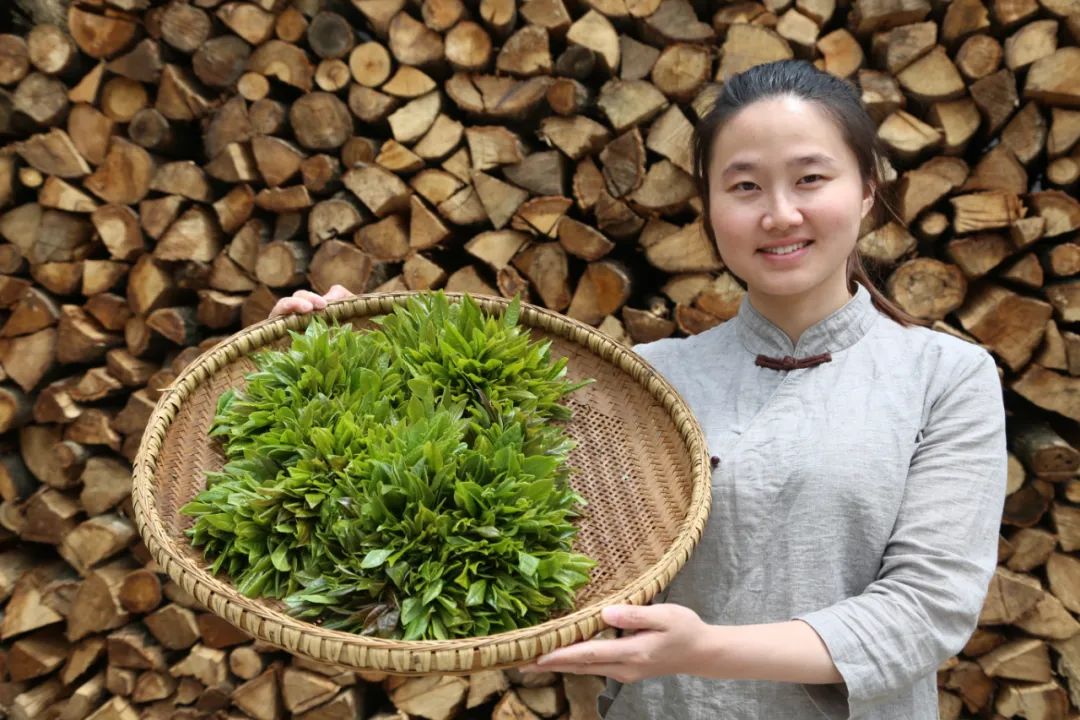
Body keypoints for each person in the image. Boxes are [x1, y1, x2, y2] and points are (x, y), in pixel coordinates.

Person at [269, 59, 1007, 720]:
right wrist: (345, 380)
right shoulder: (647, 381)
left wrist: (702, 650)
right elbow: (467, 526)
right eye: (745, 186)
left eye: (811, 179)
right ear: (710, 208)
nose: (780, 213)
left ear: (869, 190)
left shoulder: (943, 377)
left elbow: (924, 612)